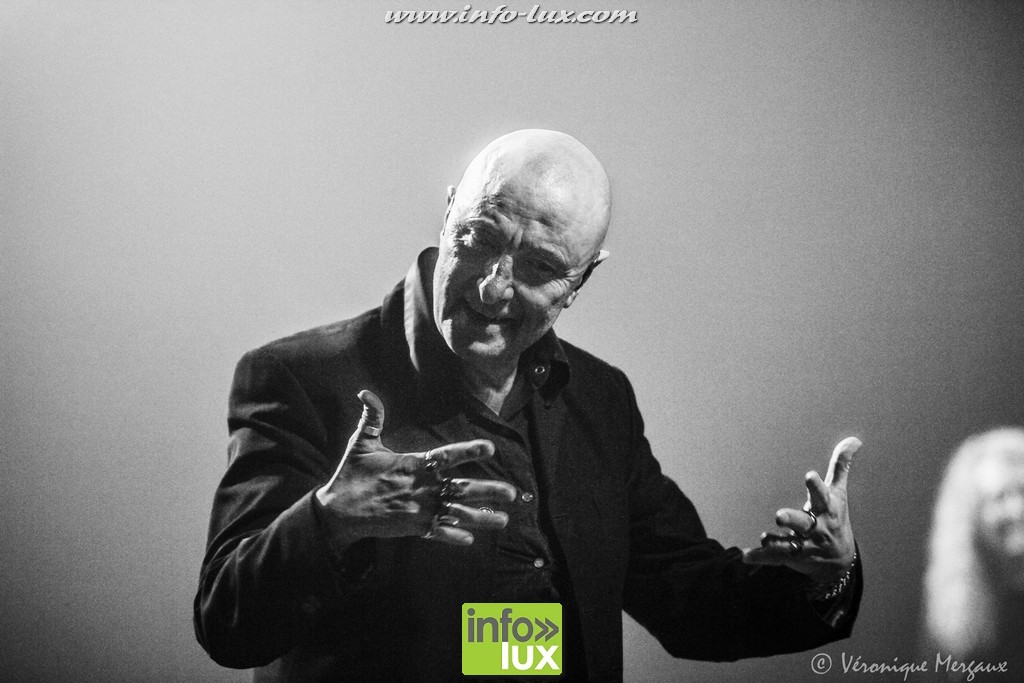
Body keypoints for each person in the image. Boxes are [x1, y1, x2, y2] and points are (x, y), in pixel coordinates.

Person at [194, 129, 863, 681]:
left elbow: (689, 597)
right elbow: (228, 623)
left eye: (540, 266)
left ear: (582, 279)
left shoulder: (600, 397)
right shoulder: (301, 378)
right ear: (449, 213)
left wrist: (825, 577)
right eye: (479, 238)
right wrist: (330, 521)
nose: (493, 288)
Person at [923, 428, 1024, 672]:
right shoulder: (954, 621)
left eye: (1022, 492)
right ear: (971, 517)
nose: (1017, 510)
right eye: (999, 497)